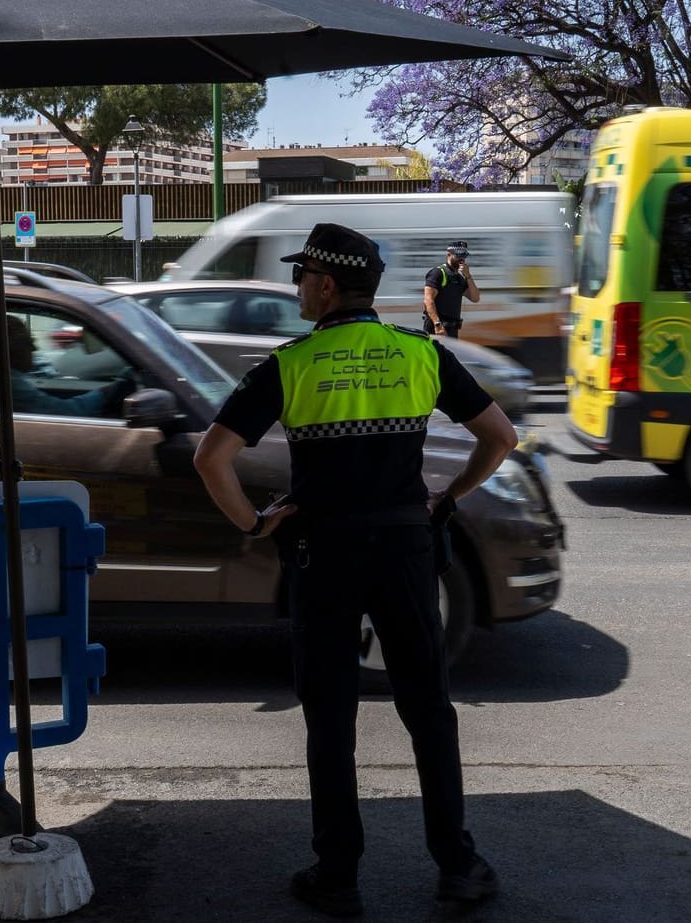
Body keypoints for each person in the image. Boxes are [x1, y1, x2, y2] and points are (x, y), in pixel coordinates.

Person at [192, 222, 516, 918]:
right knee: (427, 707)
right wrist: (448, 495)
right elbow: (500, 436)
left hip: (324, 556)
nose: (295, 287)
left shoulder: (289, 365)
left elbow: (210, 459)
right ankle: (456, 864)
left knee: (330, 715)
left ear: (327, 285)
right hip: (406, 552)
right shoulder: (417, 353)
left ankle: (337, 874)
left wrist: (252, 523)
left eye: (300, 275)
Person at [0, 314, 131, 416]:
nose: (34, 347)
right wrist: (106, 393)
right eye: (28, 341)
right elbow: (62, 413)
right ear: (8, 349)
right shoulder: (5, 381)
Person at [421, 240, 479, 338]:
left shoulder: (460, 277)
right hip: (437, 328)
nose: (461, 259)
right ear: (449, 254)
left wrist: (468, 276)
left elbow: (475, 298)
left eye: (464, 256)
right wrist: (437, 324)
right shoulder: (438, 273)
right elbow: (428, 300)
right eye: (458, 256)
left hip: (452, 330)